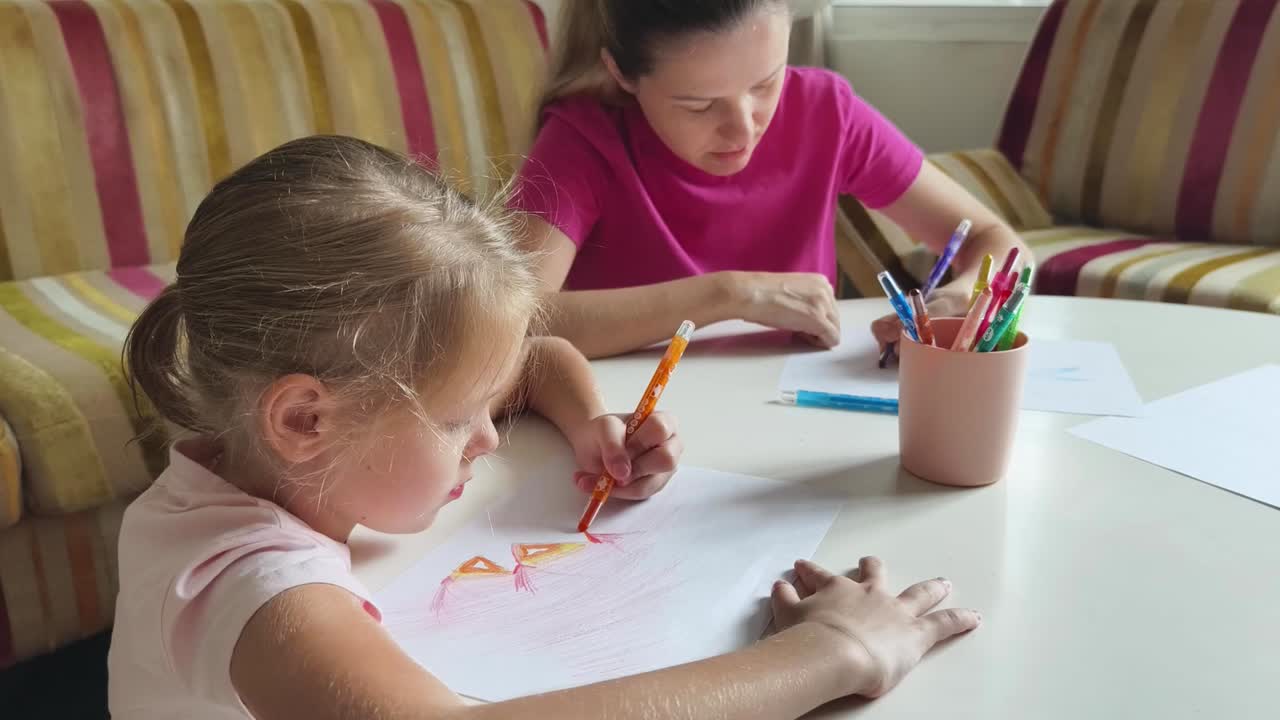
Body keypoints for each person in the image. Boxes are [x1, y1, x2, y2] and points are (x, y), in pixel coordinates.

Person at [107, 136, 979, 720]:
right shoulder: (248, 587)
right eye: (458, 421)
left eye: (486, 408)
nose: (487, 440)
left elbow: (539, 354)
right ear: (305, 420)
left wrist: (589, 420)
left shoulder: (255, 465)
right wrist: (837, 652)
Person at [512, 0, 1029, 358]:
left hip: (794, 415)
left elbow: (998, 244)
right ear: (623, 75)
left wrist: (961, 299)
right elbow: (505, 320)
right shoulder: (581, 139)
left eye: (765, 83)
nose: (743, 128)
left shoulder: (827, 111)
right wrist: (729, 296)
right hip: (631, 428)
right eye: (698, 104)